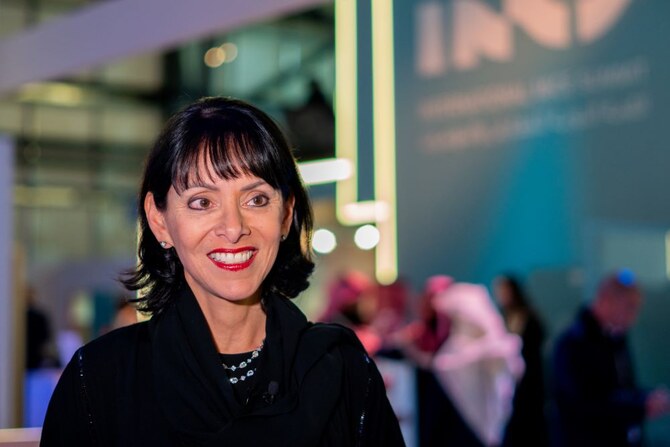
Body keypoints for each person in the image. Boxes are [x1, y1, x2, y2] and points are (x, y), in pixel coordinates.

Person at [41, 97, 404, 446]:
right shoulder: (103, 378)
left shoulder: (340, 369)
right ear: (159, 220)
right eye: (202, 202)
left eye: (256, 199)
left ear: (286, 213)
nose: (233, 228)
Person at [552, 269, 670, 447]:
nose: (633, 317)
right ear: (606, 300)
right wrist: (640, 407)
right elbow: (584, 404)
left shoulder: (616, 338)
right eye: (629, 307)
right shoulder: (574, 343)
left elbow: (623, 387)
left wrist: (647, 399)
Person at [492, 274, 548, 447]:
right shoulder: (500, 317)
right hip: (508, 384)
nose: (501, 295)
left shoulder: (530, 317)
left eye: (504, 291)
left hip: (529, 383)